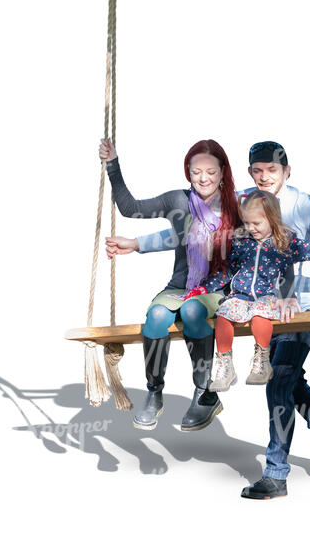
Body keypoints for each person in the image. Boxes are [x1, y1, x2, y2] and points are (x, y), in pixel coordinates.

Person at [126, 140, 310, 499]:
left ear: (287, 171)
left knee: (278, 380)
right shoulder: (242, 204)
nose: (264, 176)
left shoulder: (303, 203)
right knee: (287, 377)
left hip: (301, 309)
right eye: (257, 170)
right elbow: (196, 232)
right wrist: (137, 243)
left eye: (273, 169)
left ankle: (276, 473)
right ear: (249, 171)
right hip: (256, 304)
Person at [99, 137, 242, 432]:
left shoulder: (236, 206)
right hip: (181, 285)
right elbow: (130, 207)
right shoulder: (178, 200)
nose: (203, 178)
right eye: (196, 171)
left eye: (211, 172)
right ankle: (154, 392)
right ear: (187, 172)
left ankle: (204, 392)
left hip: (217, 287)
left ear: (223, 173)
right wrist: (112, 165)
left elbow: (268, 226)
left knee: (192, 311)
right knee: (157, 316)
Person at [195, 191, 310, 391]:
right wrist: (205, 286)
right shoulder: (242, 242)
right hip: (240, 295)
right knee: (223, 316)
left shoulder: (285, 243)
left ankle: (262, 361)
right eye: (246, 223)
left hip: (267, 295)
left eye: (256, 223)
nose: (250, 228)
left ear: (271, 219)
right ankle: (225, 365)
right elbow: (228, 271)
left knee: (260, 316)